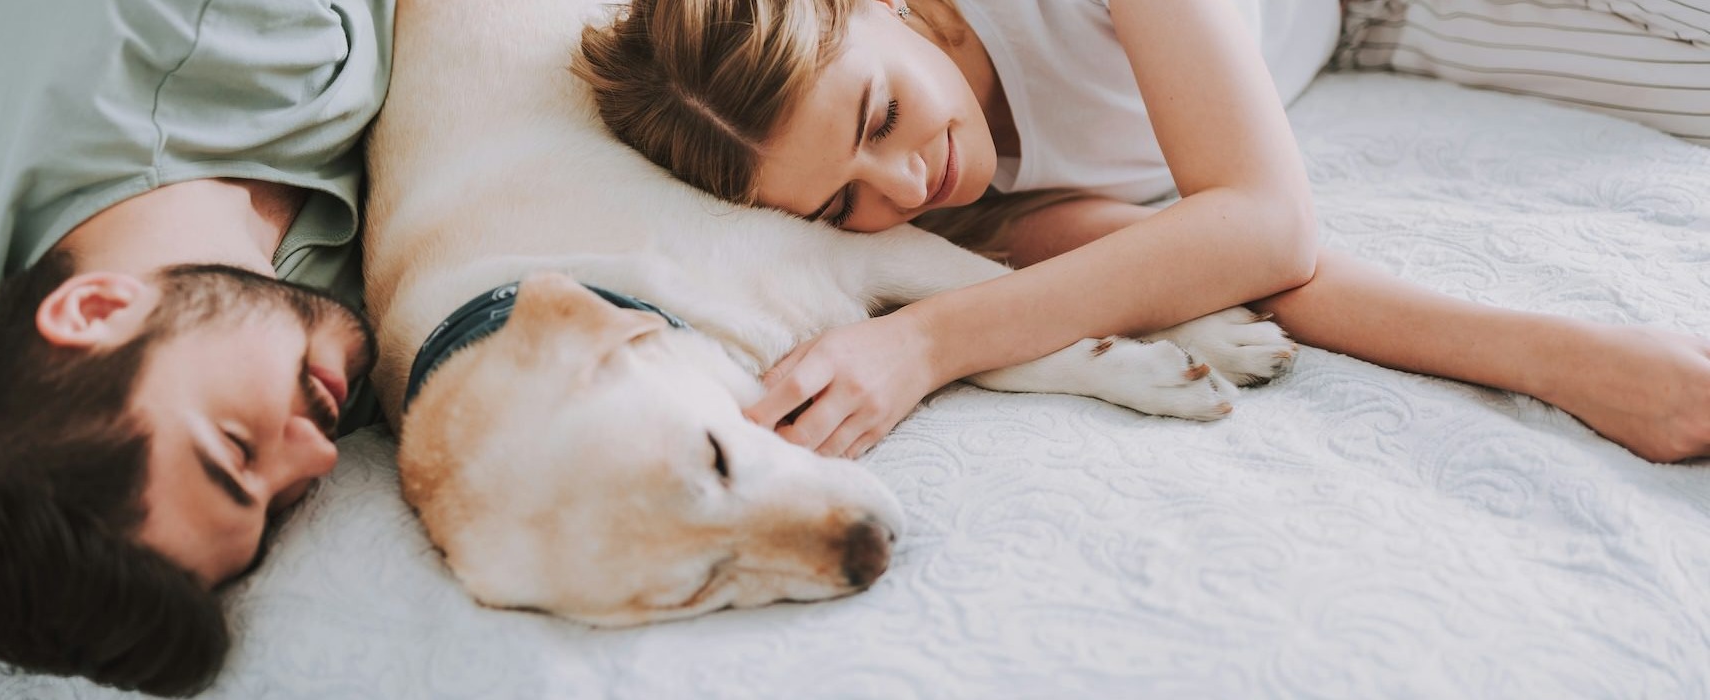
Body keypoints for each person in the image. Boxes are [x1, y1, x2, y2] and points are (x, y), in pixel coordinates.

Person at [574, 0, 1710, 463]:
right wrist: (1578, 363)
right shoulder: (980, 208)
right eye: (840, 207)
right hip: (1382, 32)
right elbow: (1255, 271)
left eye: (879, 116)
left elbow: (1264, 224)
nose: (905, 186)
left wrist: (925, 346)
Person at [0, 0, 392, 694]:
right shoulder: (325, 363)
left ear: (94, 308)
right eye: (273, 511)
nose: (317, 457)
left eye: (234, 448)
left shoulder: (170, 24)